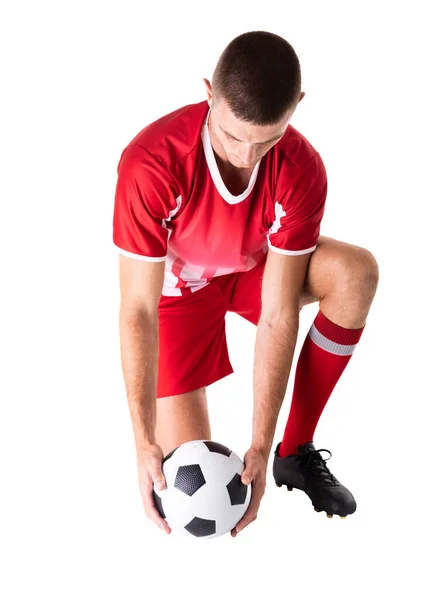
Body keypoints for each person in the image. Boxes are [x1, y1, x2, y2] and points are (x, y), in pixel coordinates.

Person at [112, 30, 379, 538]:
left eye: (267, 140)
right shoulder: (152, 162)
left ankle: (294, 452)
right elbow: (138, 308)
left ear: (296, 107)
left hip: (250, 272)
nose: (246, 156)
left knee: (356, 271)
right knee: (194, 489)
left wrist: (261, 439)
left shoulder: (302, 168)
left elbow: (279, 312)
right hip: (176, 296)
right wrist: (142, 438)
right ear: (209, 93)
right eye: (233, 136)